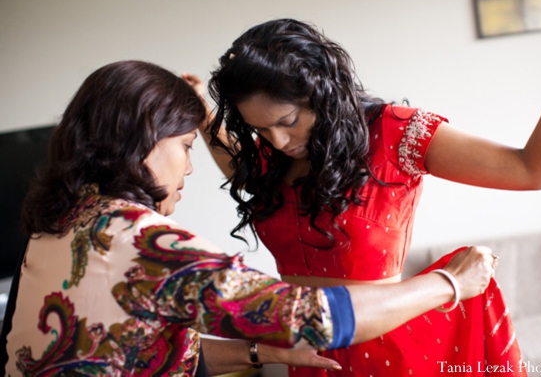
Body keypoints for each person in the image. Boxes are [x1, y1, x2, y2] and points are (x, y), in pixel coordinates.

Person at [186, 0, 541, 376]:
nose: (276, 141)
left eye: (288, 121)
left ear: (322, 91)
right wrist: (203, 112)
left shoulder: (396, 134)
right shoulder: (273, 160)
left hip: (393, 352)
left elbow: (534, 170)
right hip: (307, 355)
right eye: (261, 131)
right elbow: (239, 168)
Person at [0, 60, 496, 377]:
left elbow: (144, 352)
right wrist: (447, 283)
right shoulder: (143, 243)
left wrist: (260, 354)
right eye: (186, 146)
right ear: (144, 143)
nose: (191, 166)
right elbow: (314, 317)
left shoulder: (56, 228)